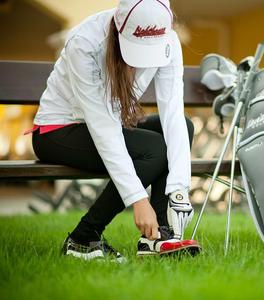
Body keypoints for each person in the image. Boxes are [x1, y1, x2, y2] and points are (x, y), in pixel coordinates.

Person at [25, 0, 200, 262]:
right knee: (154, 150)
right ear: (120, 28)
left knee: (183, 126)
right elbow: (103, 128)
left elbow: (172, 113)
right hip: (57, 132)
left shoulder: (169, 40)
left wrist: (179, 190)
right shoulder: (85, 42)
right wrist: (139, 200)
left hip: (109, 124)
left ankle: (159, 237)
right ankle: (83, 238)